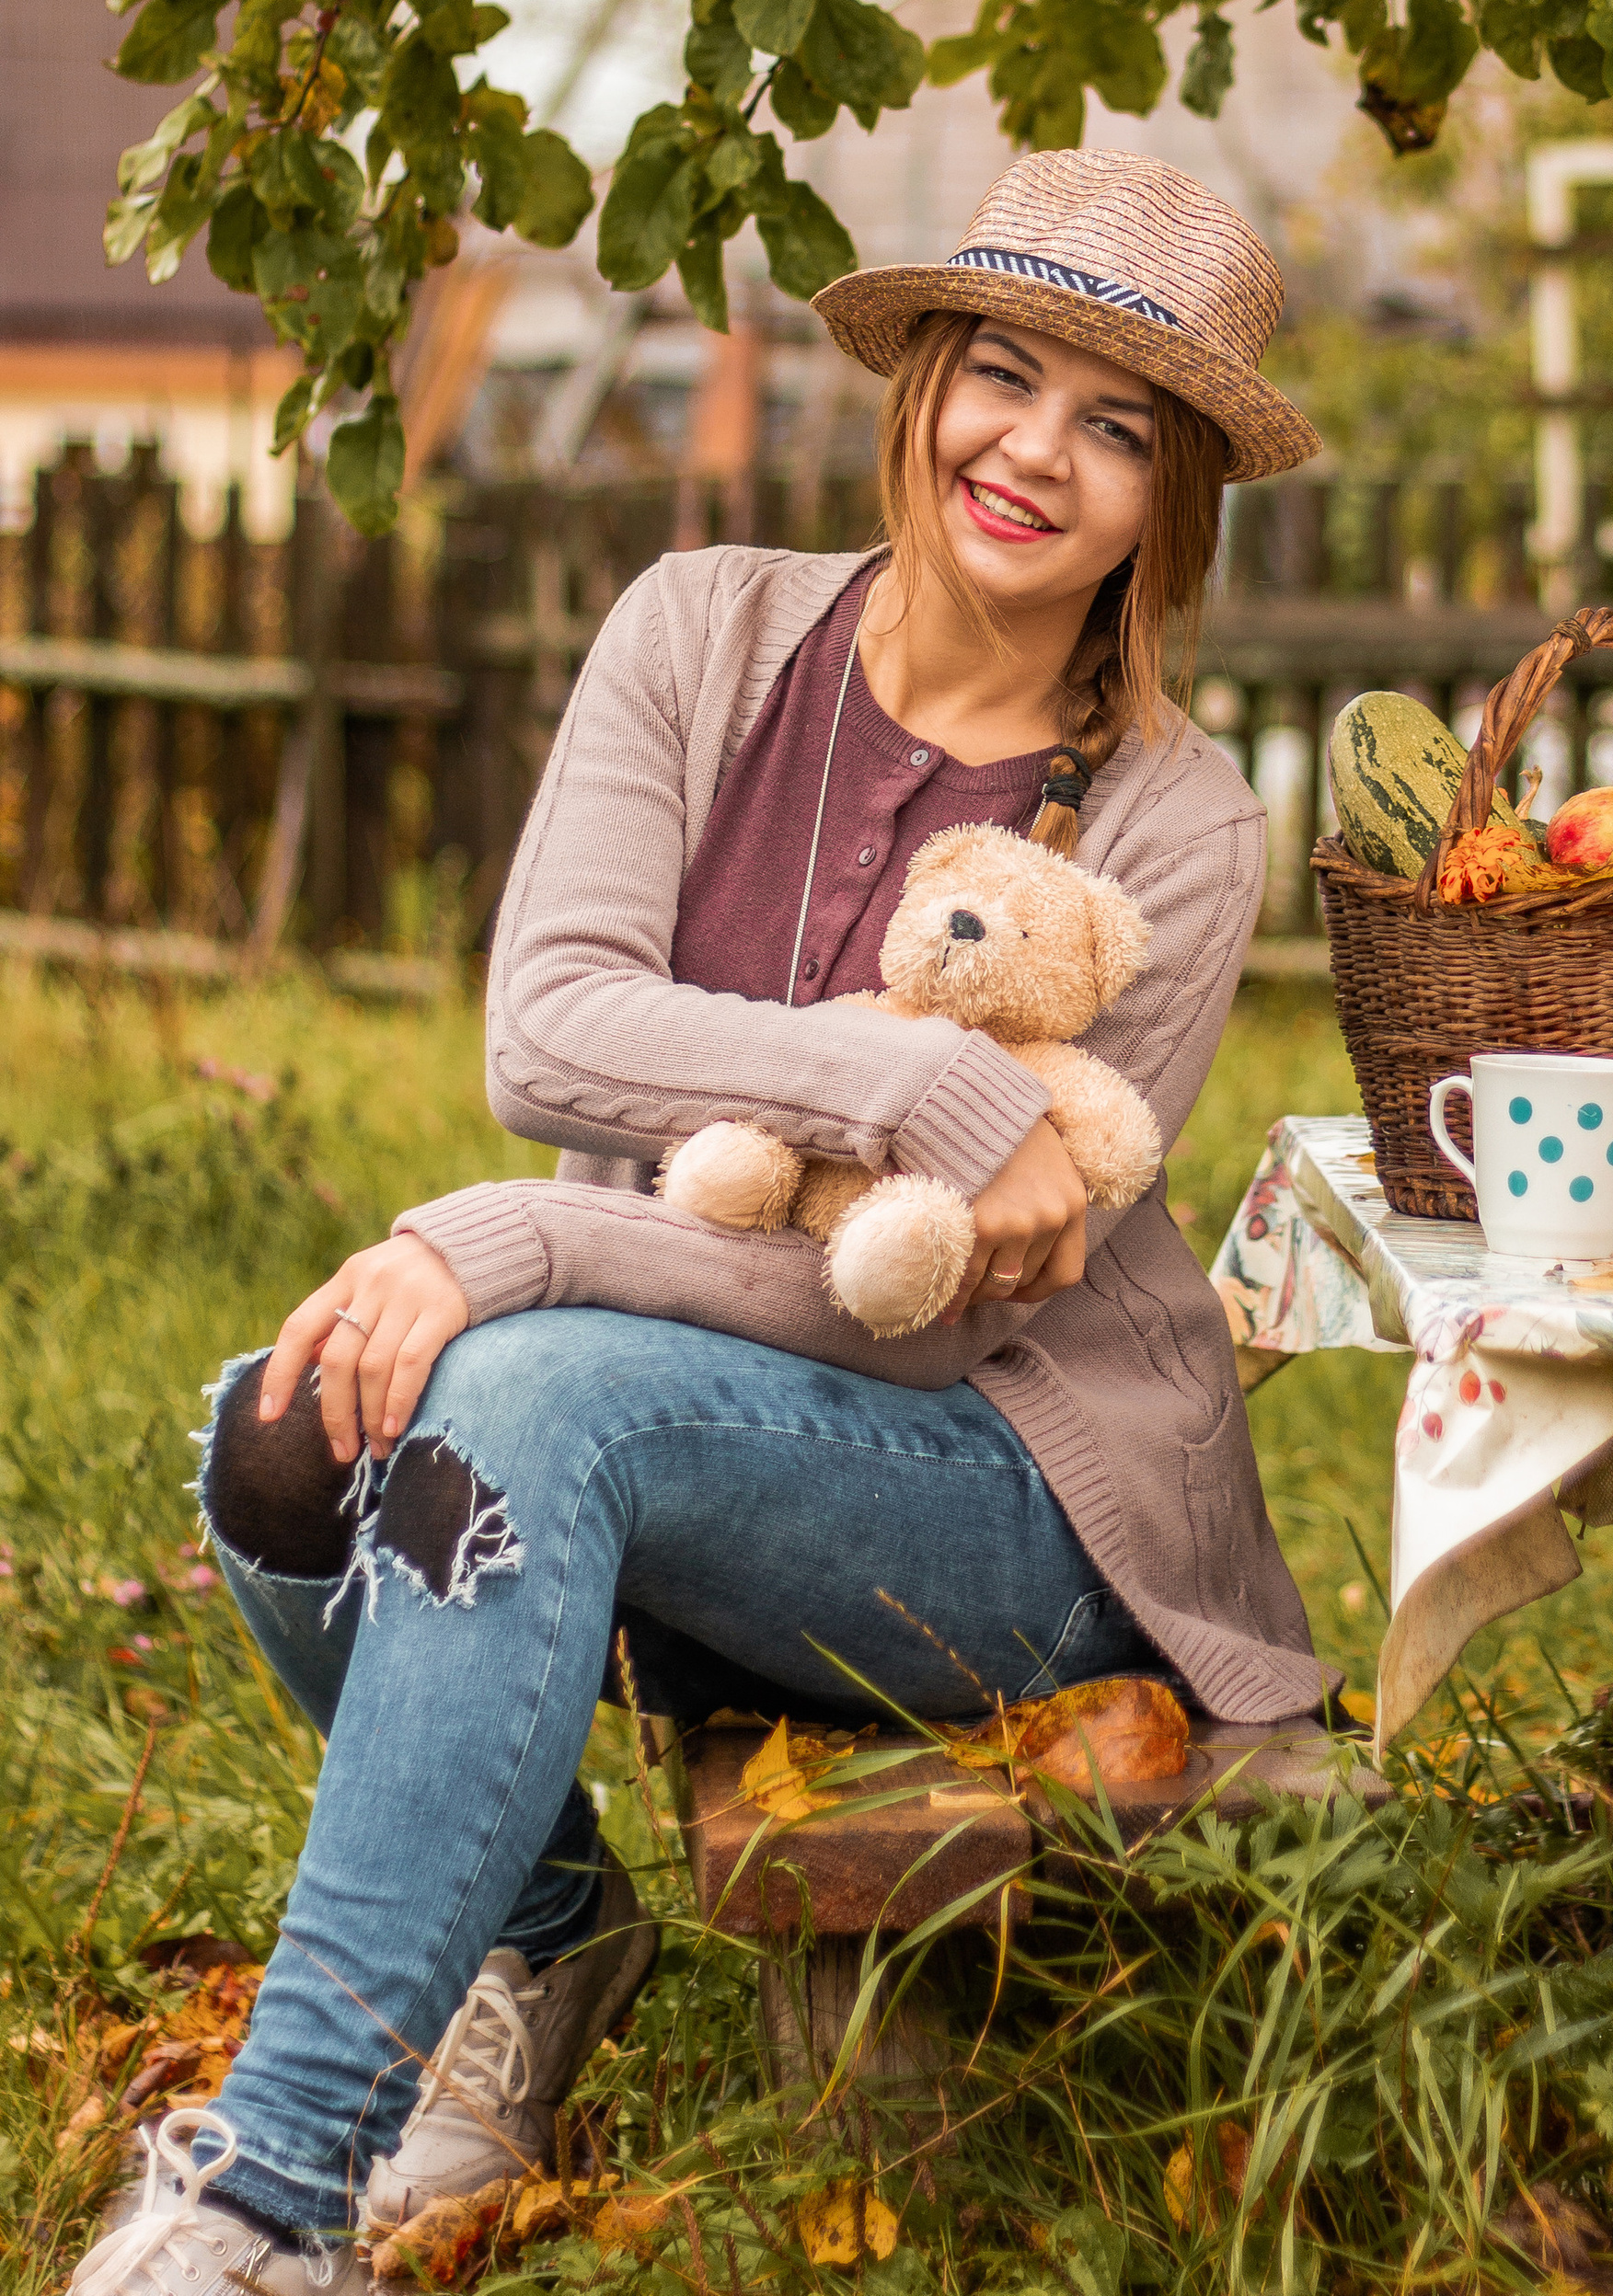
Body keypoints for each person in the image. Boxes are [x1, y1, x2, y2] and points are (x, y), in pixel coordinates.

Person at [81, 152, 1329, 2296]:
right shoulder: (703, 630)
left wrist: (517, 1246)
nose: (1034, 449)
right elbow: (549, 1028)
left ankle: (265, 2200)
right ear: (922, 384)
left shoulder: (1174, 827)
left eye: (1116, 425)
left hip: (1009, 1497)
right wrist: (912, 1081)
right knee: (286, 1427)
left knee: (522, 1400)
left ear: (1170, 494)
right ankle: (548, 1935)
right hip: (664, 1409)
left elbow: (930, 1311)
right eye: (1001, 376)